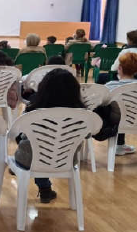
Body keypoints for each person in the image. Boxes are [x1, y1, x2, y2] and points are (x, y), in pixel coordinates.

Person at [14, 68, 87, 203]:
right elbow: (88, 135)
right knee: (47, 151)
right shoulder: (83, 114)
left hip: (29, 159)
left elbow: (21, 131)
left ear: (43, 88)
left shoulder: (33, 109)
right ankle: (45, 189)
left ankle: (44, 187)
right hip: (66, 160)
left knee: (36, 148)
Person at [106, 52, 137, 156]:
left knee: (113, 109)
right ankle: (120, 145)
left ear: (119, 67)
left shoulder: (111, 85)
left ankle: (117, 145)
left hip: (117, 121)